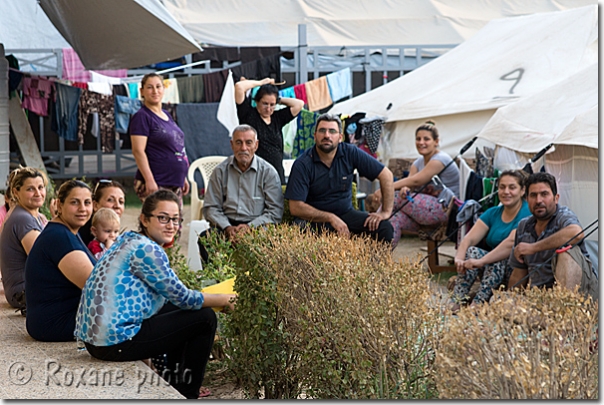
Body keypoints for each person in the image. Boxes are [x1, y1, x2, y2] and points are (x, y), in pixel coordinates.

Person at [75, 190, 236, 399]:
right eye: (163, 218)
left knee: (183, 313)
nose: (171, 225)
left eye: (176, 219)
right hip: (115, 343)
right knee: (204, 318)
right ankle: (187, 392)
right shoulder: (147, 250)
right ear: (144, 219)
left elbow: (174, 296)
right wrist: (225, 299)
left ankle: (176, 381)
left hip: (97, 341)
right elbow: (184, 298)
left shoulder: (129, 240)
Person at [284, 113, 394, 243]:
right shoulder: (303, 164)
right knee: (299, 229)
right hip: (314, 220)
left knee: (384, 228)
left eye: (332, 131)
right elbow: (295, 207)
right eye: (322, 131)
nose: (327, 136)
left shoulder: (350, 152)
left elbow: (386, 175)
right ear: (315, 136)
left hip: (346, 215)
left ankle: (373, 263)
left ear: (340, 137)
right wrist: (330, 217)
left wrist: (385, 212)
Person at [24, 180, 96, 341]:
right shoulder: (60, 237)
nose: (82, 209)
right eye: (74, 202)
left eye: (87, 202)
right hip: (55, 323)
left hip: (50, 321)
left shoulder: (66, 231)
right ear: (59, 205)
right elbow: (97, 287)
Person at [507, 172, 598, 300]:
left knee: (566, 251)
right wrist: (508, 300)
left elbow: (576, 233)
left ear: (556, 198)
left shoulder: (563, 216)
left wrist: (533, 247)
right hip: (541, 298)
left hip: (582, 295)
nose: (539, 201)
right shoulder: (523, 226)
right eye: (533, 195)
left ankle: (565, 309)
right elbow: (518, 274)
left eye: (544, 194)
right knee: (500, 300)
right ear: (527, 199)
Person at [371, 121, 460, 248]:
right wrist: (405, 190)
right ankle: (380, 257)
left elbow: (416, 181)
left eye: (426, 139)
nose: (421, 142)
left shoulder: (441, 159)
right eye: (418, 139)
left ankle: (372, 223)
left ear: (436, 141)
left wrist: (386, 188)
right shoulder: (418, 163)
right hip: (425, 211)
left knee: (394, 197)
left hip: (445, 210)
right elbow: (410, 184)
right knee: (394, 219)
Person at [450, 170, 532, 309]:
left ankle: (478, 302)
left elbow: (510, 243)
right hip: (490, 270)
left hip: (515, 270)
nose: (506, 192)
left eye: (512, 187)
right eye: (502, 187)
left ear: (522, 190)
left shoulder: (526, 212)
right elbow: (469, 238)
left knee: (497, 259)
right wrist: (459, 258)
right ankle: (457, 299)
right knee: (472, 251)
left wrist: (482, 261)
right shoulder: (493, 212)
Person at [202, 124, 284, 242]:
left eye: (249, 142)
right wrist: (227, 227)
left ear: (256, 145)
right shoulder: (220, 171)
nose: (243, 148)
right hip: (226, 225)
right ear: (232, 145)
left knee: (268, 241)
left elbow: (275, 211)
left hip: (257, 227)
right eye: (239, 142)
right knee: (206, 238)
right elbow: (211, 207)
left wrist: (250, 227)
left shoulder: (268, 172)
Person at [130, 73, 190, 205]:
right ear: (142, 91)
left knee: (174, 223)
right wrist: (149, 180)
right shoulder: (142, 117)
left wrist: (182, 177)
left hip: (175, 180)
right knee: (159, 223)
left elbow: (175, 146)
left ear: (164, 89)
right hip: (158, 181)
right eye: (150, 87)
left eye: (158, 86)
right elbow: (138, 151)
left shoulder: (167, 115)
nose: (155, 91)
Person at [235, 77, 304, 185]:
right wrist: (261, 83)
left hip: (276, 176)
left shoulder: (277, 118)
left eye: (272, 105)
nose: (268, 108)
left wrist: (277, 99)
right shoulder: (248, 115)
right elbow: (239, 87)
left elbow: (299, 104)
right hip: (254, 177)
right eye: (265, 103)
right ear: (257, 101)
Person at [0, 167, 49, 310]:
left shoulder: (31, 216)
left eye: (40, 187)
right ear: (16, 192)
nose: (38, 193)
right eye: (30, 189)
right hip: (23, 293)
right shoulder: (23, 219)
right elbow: (42, 260)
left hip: (21, 291)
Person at [79, 179, 126, 246]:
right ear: (95, 205)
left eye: (121, 202)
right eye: (110, 200)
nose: (117, 206)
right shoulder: (84, 236)